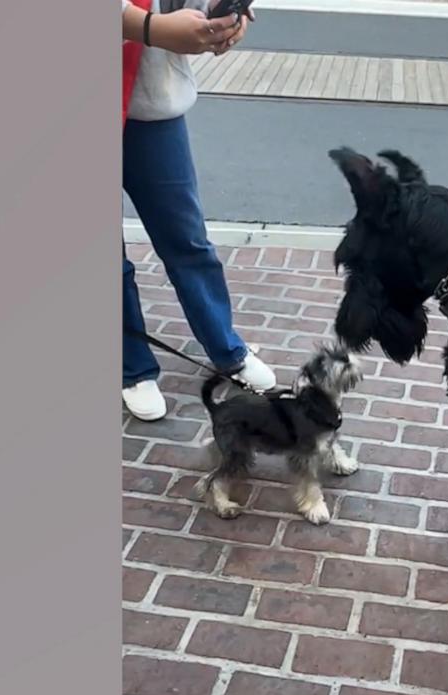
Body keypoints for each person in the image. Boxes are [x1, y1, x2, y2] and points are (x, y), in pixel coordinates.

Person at [121, 0, 275, 422]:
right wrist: (148, 27)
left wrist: (218, 17)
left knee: (187, 239)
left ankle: (226, 348)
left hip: (153, 103)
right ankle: (132, 366)